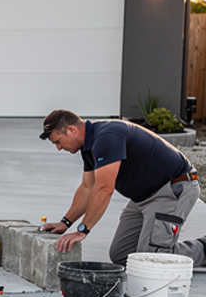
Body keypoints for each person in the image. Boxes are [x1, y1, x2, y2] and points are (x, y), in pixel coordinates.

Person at [38, 109, 204, 265]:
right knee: (122, 254)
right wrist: (65, 223)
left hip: (172, 190)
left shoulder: (107, 136)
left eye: (58, 142)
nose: (59, 148)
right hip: (143, 199)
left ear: (71, 130)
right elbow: (88, 187)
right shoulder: (88, 146)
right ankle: (162, 247)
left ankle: (203, 249)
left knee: (151, 259)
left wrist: (83, 229)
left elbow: (104, 188)